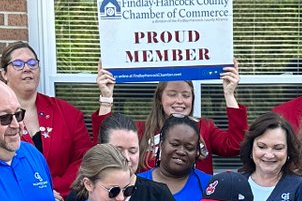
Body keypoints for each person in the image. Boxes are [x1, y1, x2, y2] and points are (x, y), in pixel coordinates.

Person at [94, 64, 246, 174]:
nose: (179, 101)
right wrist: (106, 98)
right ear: (160, 98)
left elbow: (235, 145)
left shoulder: (204, 128)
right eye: (172, 94)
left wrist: (229, 94)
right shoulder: (141, 130)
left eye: (186, 95)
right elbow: (104, 144)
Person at [0, 41, 91, 196]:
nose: (27, 68)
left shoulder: (67, 113)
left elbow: (84, 159)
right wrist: (37, 192)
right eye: (18, 64)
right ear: (4, 73)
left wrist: (52, 190)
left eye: (32, 63)